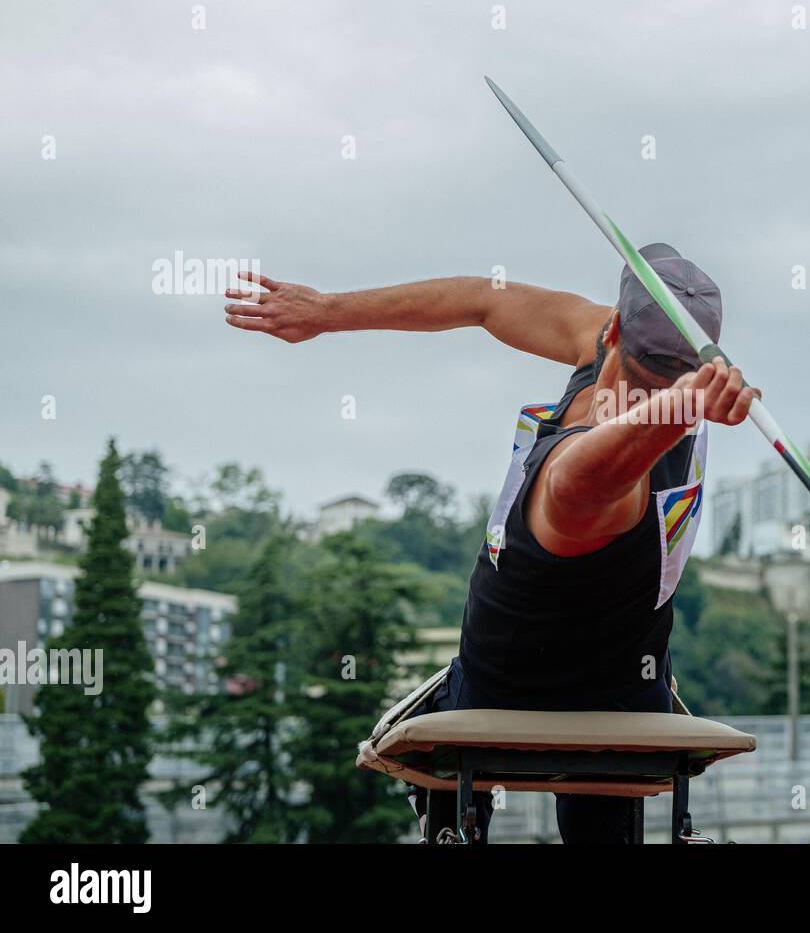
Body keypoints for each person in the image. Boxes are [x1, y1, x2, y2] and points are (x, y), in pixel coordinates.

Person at [223, 244, 760, 842]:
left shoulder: (584, 485)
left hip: (522, 686)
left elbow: (597, 467)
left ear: (613, 329)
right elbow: (481, 300)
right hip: (626, 685)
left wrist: (678, 408)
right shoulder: (627, 359)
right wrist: (326, 311)